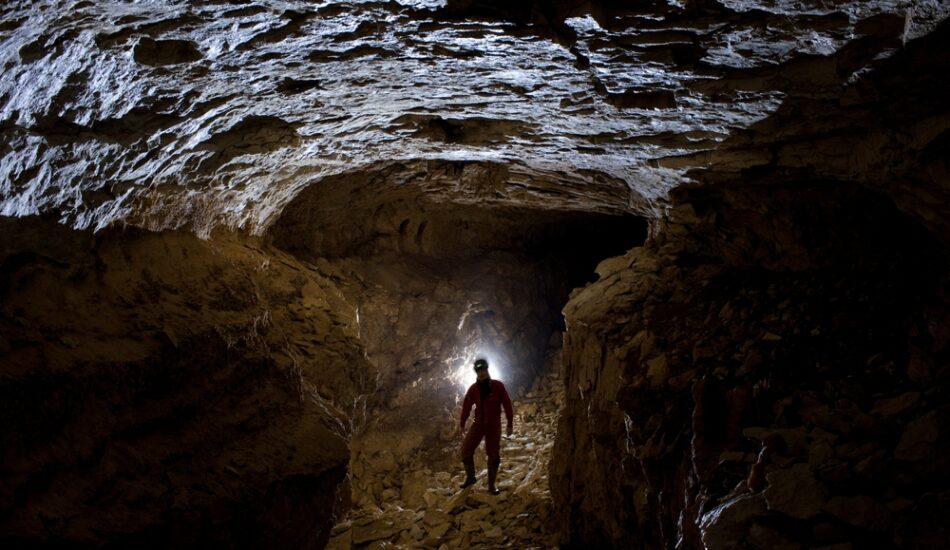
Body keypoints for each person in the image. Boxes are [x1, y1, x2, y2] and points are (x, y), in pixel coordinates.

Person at [459, 357, 514, 495]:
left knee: (493, 455)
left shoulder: (498, 386)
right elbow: (466, 406)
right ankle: (471, 478)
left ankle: (491, 485)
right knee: (465, 450)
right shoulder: (473, 389)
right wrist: (462, 423)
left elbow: (507, 404)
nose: (481, 373)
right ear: (476, 372)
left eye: (483, 369)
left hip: (493, 426)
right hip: (478, 424)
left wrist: (510, 423)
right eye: (479, 371)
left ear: (487, 369)